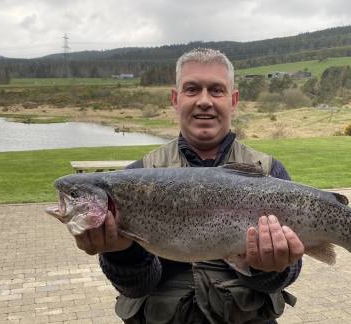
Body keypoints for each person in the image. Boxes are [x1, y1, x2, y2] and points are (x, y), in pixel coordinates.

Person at [74, 48, 305, 324]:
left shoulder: (270, 173)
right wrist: (121, 254)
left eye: (216, 90)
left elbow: (285, 277)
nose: (204, 101)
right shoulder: (136, 178)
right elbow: (136, 288)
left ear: (233, 101)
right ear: (175, 98)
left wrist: (271, 269)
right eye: (192, 89)